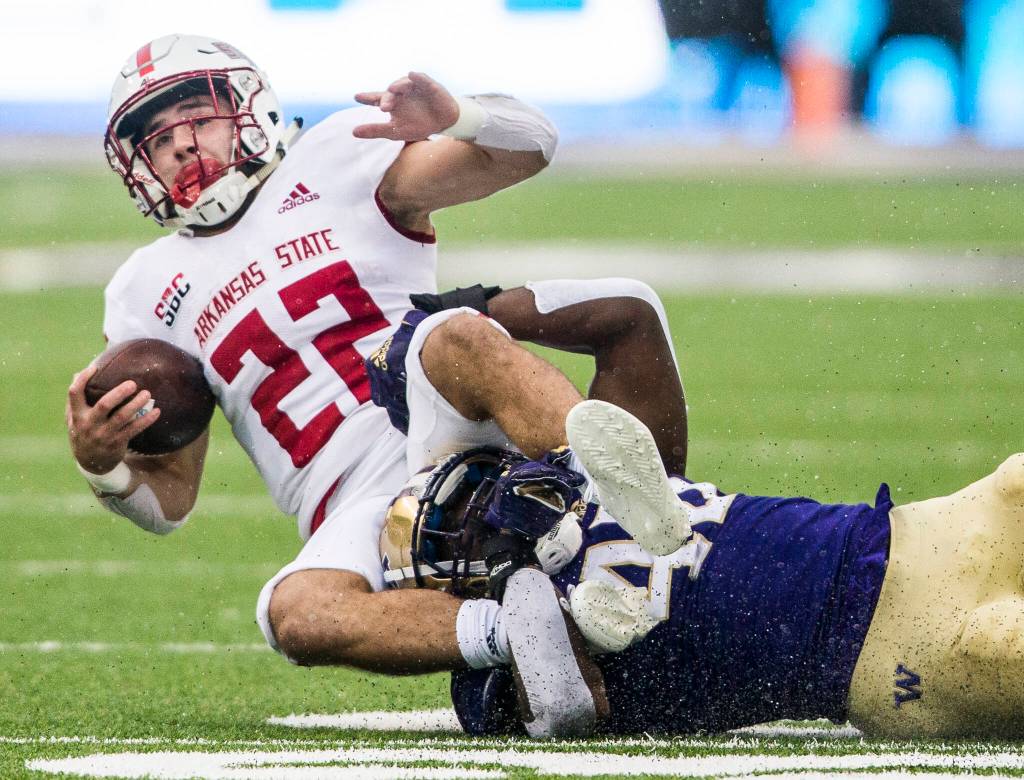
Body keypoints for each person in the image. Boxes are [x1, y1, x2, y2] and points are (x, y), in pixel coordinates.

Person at [64, 33, 689, 731]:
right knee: (292, 613)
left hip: (428, 407)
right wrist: (105, 470)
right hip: (351, 500)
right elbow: (171, 498)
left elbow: (531, 147)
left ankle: (608, 522)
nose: (178, 145)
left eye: (194, 116)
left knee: (453, 336)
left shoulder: (336, 154)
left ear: (245, 105)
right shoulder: (142, 292)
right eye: (152, 138)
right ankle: (522, 634)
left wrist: (459, 117)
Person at [382, 398, 1024, 739]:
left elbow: (628, 314)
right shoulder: (488, 678)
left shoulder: (599, 480)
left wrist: (465, 314)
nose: (485, 514)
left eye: (475, 495)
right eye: (460, 524)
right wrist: (526, 596)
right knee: (1007, 643)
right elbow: (560, 706)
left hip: (906, 534)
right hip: (885, 657)